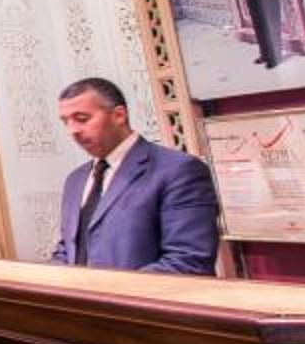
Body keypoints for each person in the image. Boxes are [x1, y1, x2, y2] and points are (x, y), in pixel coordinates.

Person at [49, 77, 217, 275]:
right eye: (65, 122)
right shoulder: (75, 180)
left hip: (143, 295)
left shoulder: (178, 170)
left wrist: (103, 289)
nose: (72, 130)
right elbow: (68, 249)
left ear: (119, 115)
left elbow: (188, 261)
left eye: (82, 118)